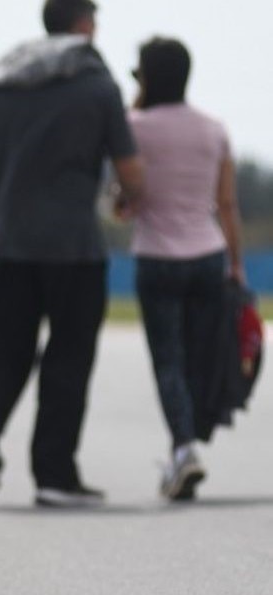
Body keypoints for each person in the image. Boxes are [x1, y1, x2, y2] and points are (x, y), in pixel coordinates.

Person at [0, 0, 144, 508]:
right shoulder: (100, 88)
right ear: (84, 25)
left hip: (12, 245)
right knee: (69, 358)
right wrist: (129, 199)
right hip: (76, 249)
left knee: (0, 353)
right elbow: (130, 173)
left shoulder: (6, 81)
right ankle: (54, 475)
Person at [125, 37, 246, 501]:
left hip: (157, 257)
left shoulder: (133, 125)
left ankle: (183, 447)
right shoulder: (214, 130)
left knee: (168, 360)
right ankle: (190, 438)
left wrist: (137, 102)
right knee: (198, 355)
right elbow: (228, 203)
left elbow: (126, 197)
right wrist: (235, 263)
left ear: (146, 75)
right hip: (207, 254)